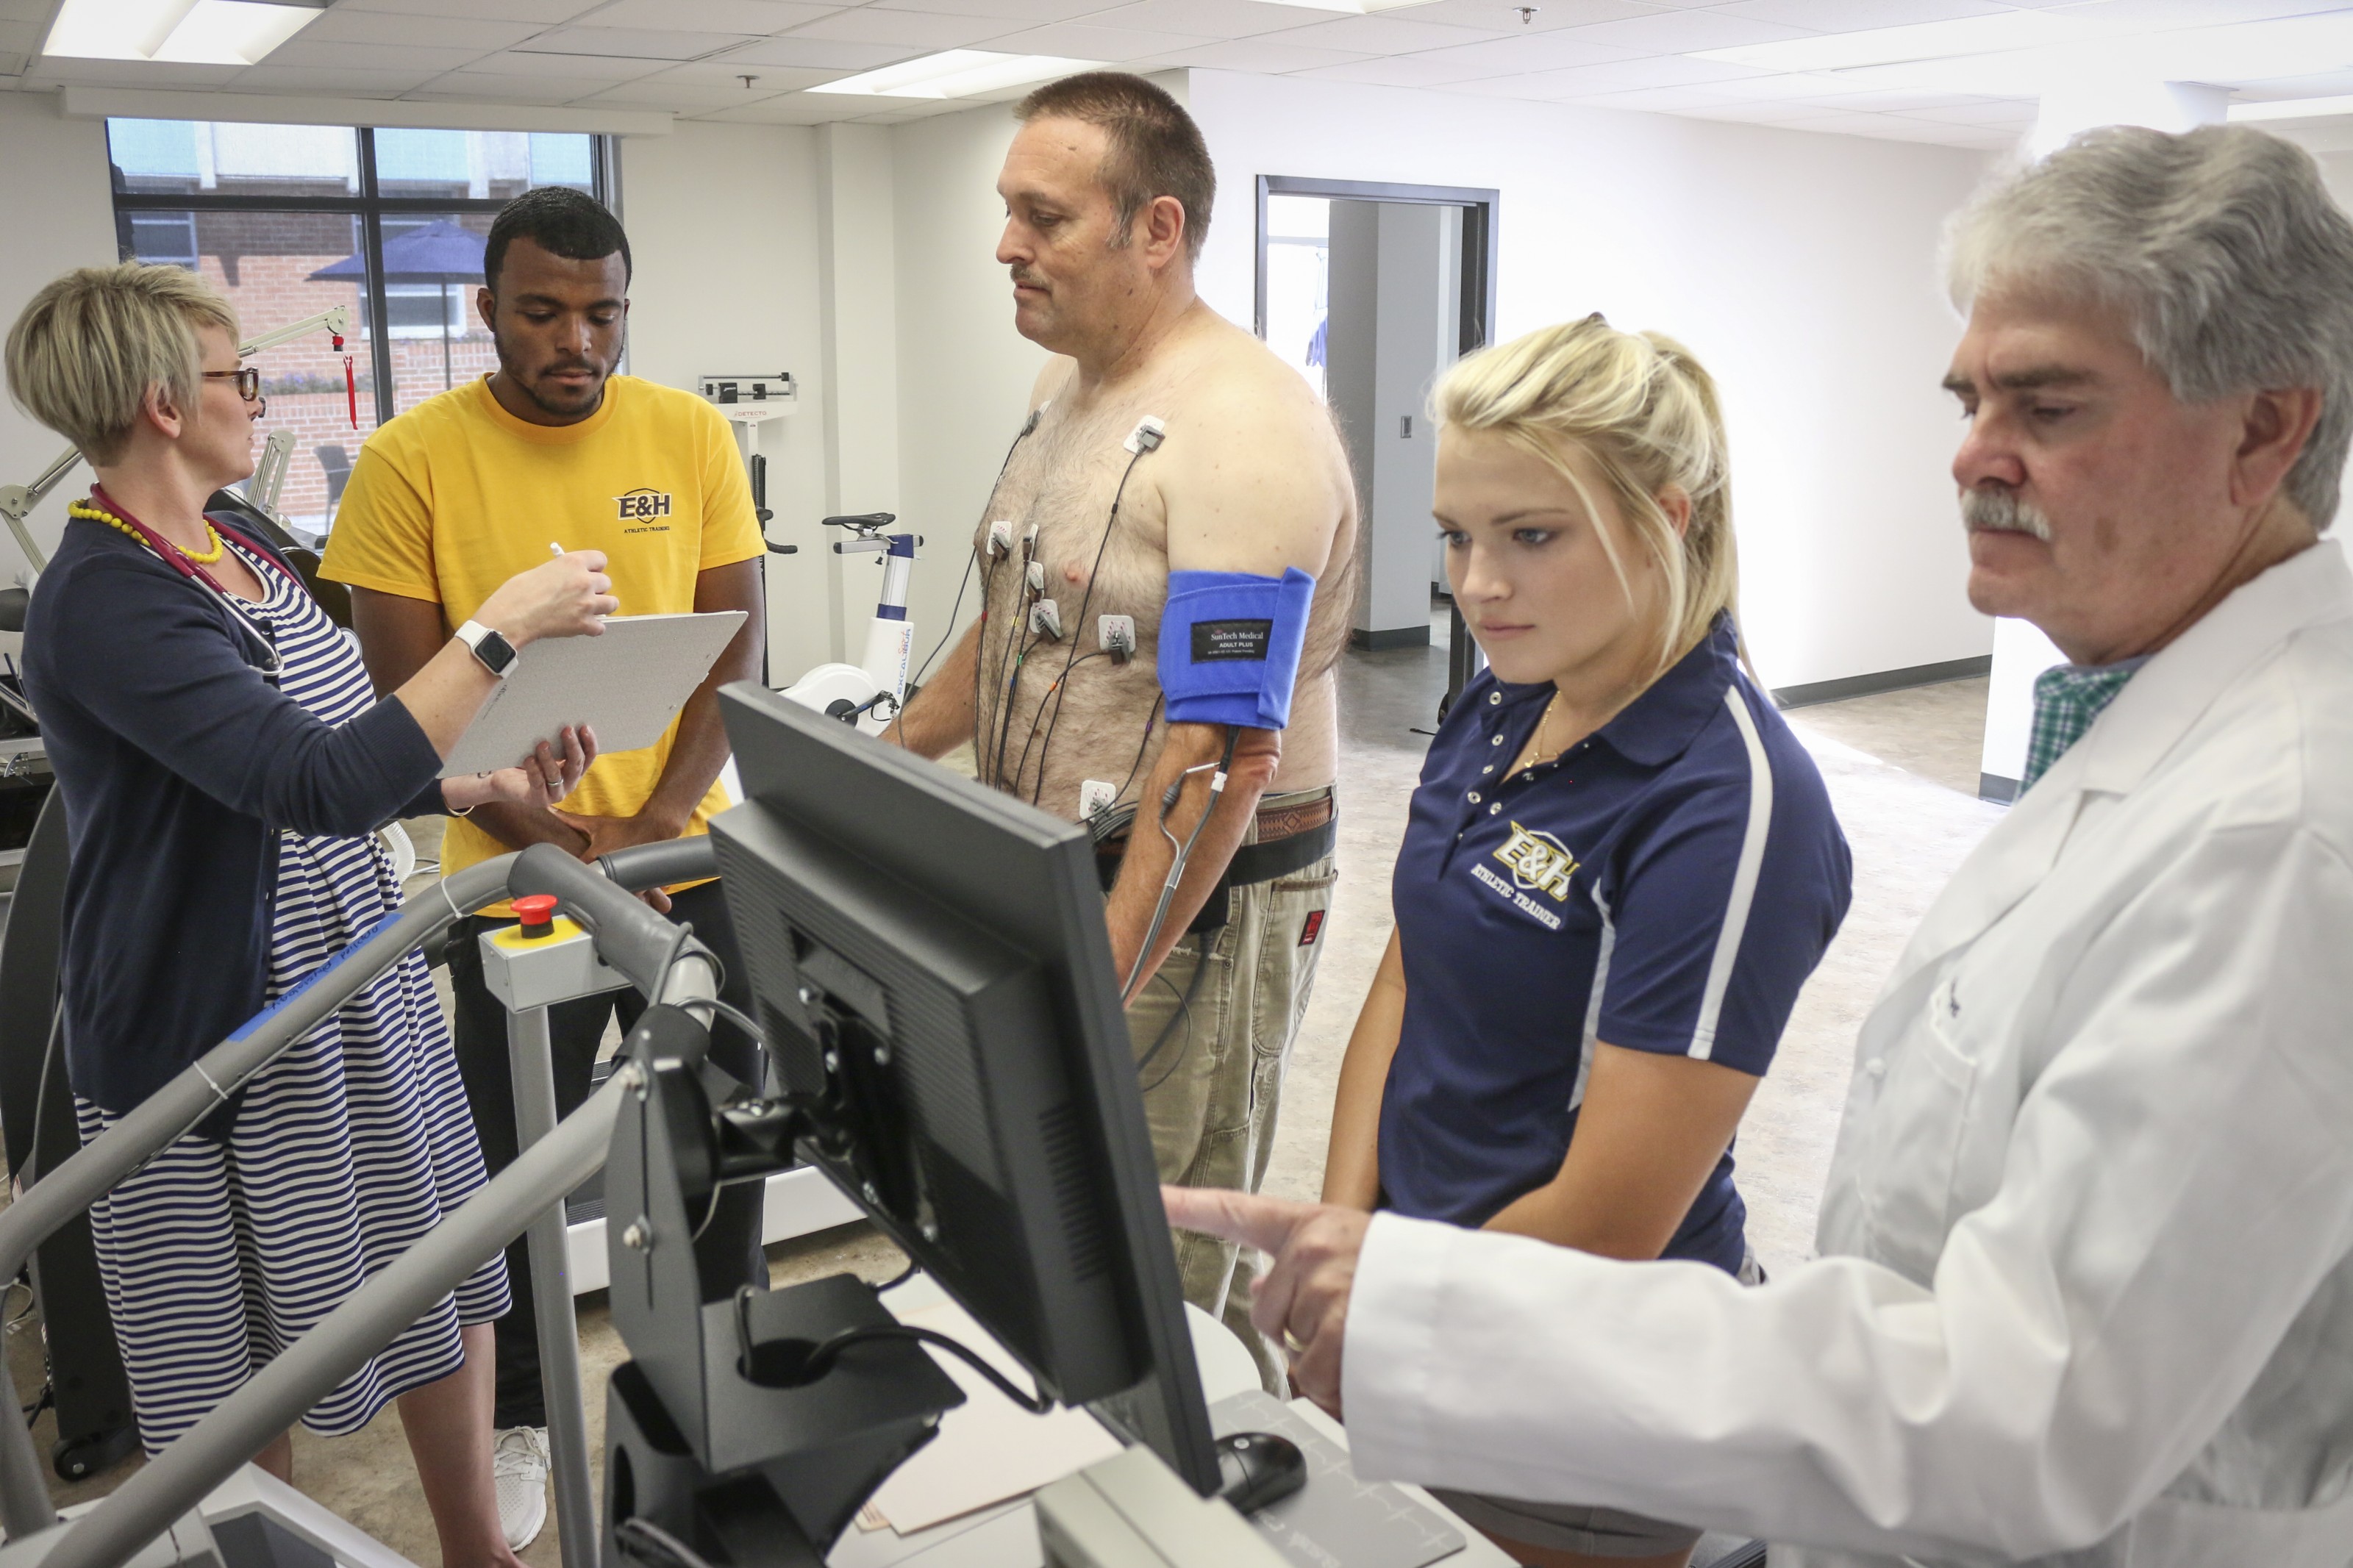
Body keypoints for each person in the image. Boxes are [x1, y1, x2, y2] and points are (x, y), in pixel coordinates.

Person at [1171, 122, 2353, 1567]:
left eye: (2045, 406)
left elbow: (2021, 1405)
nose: (1973, 453)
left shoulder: (2285, 831)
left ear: (2263, 430)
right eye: (1968, 397)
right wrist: (1379, 1257)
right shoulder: (2154, 727)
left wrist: (1418, 1310)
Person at [6, 262, 613, 1568]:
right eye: (238, 375)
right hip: (209, 1026)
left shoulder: (241, 543)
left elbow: (335, 740)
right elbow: (312, 784)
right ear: (165, 402)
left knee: (433, 1267)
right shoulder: (105, 599)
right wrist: (499, 630)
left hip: (357, 980)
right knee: (223, 1361)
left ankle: (477, 1550)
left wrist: (478, 779)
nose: (259, 393)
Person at [1319, 315, 1850, 1568]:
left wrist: (1383, 1314)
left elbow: (1615, 1210)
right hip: (1424, 1308)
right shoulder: (1502, 700)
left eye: (1531, 537)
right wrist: (1345, 1237)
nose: (1477, 582)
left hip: (1590, 1378)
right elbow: (1408, 974)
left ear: (1666, 516)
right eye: (1457, 535)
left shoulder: (1728, 802)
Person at [882, 72, 1356, 1386]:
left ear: (1155, 230)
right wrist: (881, 764)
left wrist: (1102, 978)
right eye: (1008, 211)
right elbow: (1019, 612)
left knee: (1154, 1246)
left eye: (1044, 216)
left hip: (1203, 896)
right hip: (1063, 858)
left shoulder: (1246, 429)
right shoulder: (1070, 384)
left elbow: (1219, 757)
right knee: (1043, 1197)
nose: (1005, 246)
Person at [318, 186, 769, 1549]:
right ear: (486, 310)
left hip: (688, 853)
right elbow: (404, 702)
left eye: (602, 312)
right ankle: (518, 1407)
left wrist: (646, 830)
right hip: (508, 873)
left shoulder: (688, 432)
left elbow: (732, 645)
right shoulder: (411, 459)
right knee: (506, 1161)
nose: (577, 339)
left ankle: (719, 1382)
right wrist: (566, 849)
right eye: (544, 311)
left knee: (729, 1127)